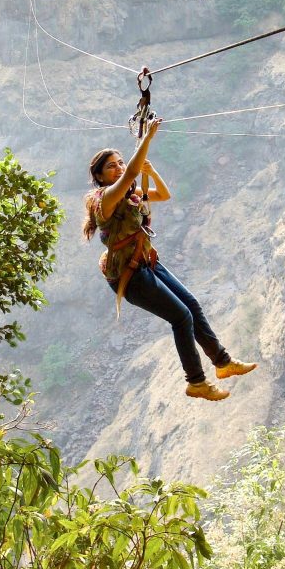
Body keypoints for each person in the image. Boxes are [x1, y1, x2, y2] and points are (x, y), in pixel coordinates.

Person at [82, 117, 257, 401]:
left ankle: (223, 362)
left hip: (147, 263)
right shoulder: (106, 200)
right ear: (100, 176)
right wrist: (147, 139)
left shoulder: (130, 195)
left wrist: (149, 168)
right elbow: (129, 177)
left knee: (191, 304)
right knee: (181, 317)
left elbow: (163, 194)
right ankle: (196, 382)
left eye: (121, 162)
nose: (119, 168)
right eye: (111, 165)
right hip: (132, 275)